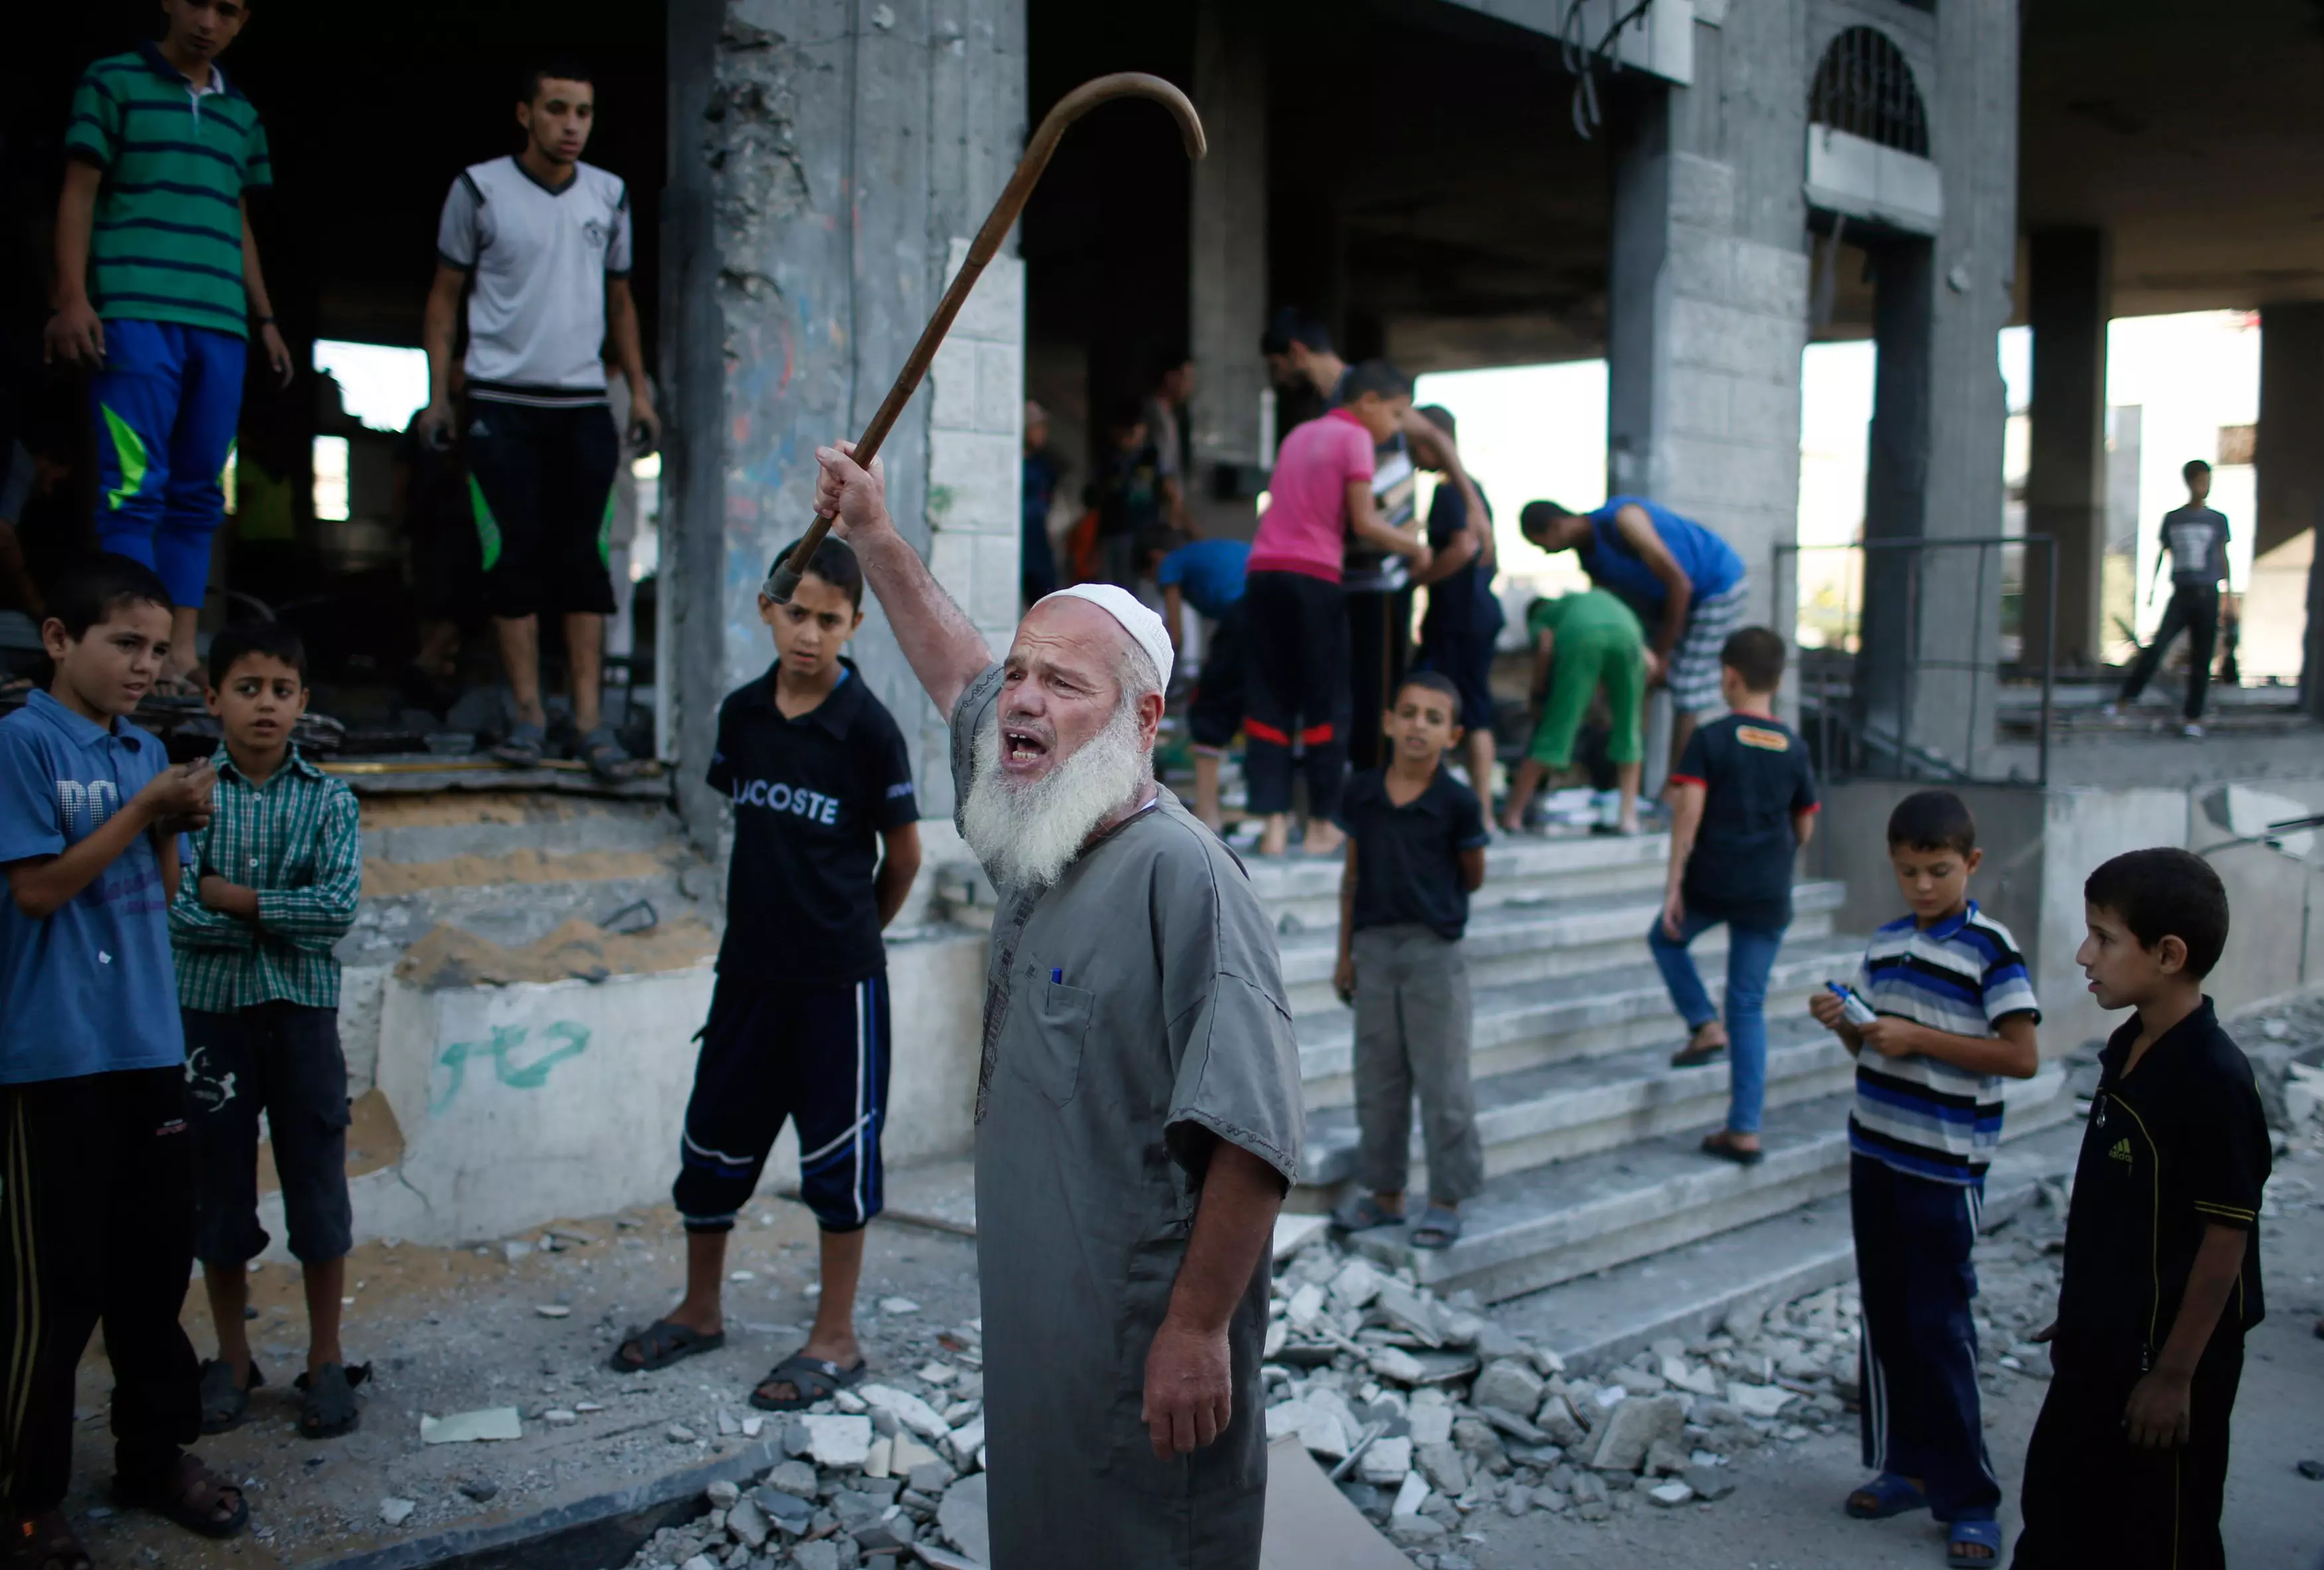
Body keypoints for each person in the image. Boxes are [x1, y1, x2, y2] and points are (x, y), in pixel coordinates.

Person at [813, 440, 1303, 1569]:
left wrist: (1194, 1327)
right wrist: (878, 538)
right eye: (1024, 673)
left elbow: (1256, 1135)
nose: (1022, 699)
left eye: (1061, 682)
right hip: (1045, 1333)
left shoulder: (1187, 878)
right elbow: (958, 675)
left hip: (1143, 1342)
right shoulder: (1038, 833)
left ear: (1143, 719)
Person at [608, 535, 922, 1408]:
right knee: (711, 1146)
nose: (810, 635)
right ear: (767, 610)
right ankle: (700, 1310)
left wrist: (852, 937)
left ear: (856, 625)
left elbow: (903, 860)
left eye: (830, 620)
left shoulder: (870, 731)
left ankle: (836, 1338)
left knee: (838, 1163)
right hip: (746, 976)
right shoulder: (742, 716)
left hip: (837, 988)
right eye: (797, 614)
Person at [1, 555, 249, 1564]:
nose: (146, 664)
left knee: (152, 1268)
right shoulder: (20, 741)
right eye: (123, 643)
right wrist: (147, 812)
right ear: (61, 640)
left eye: (157, 647)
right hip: (52, 1055)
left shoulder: (144, 746)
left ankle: (154, 1455)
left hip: (147, 1039)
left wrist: (174, 825)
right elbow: (38, 891)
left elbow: (165, 895)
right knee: (55, 1288)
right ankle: (28, 1494)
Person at [1806, 789, 2040, 1567]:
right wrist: (1851, 1026)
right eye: (1907, 872)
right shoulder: (1883, 943)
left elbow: (2020, 1055)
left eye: (1938, 871)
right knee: (1885, 1315)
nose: (1922, 887)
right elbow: (1875, 1052)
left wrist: (1921, 1038)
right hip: (1874, 1150)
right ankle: (1901, 1465)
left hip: (1942, 1168)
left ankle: (1968, 1500)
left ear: (1969, 864)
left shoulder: (1990, 950)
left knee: (1941, 1326)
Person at [2014, 849, 2265, 1570]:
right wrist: (2089, 1306)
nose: (2081, 953)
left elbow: (2224, 1241)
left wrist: (2174, 1377)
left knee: (2158, 1537)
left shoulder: (2211, 1078)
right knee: (2056, 1519)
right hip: (2096, 1350)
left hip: (2163, 1368)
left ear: (2167, 955)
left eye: (2102, 937)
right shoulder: (2127, 1046)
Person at [418, 57, 659, 779]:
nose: (571, 127)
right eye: (556, 110)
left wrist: (639, 393)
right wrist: (439, 393)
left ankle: (588, 725)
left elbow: (621, 303)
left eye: (582, 113)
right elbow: (442, 298)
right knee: (510, 560)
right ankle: (527, 716)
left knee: (585, 566)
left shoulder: (609, 196)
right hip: (499, 401)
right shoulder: (478, 189)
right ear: (525, 114)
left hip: (582, 403)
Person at [49, 0, 294, 689]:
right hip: (133, 313)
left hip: (221, 323)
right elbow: (78, 194)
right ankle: (134, 653)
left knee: (199, 497)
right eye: (198, 1)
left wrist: (266, 317)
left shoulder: (241, 114)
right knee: (132, 488)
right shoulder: (112, 81)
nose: (210, 21)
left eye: (231, 10)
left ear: (245, 20)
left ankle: (180, 655)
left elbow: (236, 215)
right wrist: (72, 298)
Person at [169, 622, 365, 1440]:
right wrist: (271, 914)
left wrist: (237, 900)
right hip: (210, 1013)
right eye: (247, 689)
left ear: (303, 704)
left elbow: (336, 913)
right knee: (217, 1185)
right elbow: (179, 912)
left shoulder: (329, 799)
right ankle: (233, 1357)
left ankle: (325, 1359)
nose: (265, 706)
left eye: (281, 691)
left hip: (302, 1016)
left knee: (317, 1182)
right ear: (213, 697)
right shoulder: (184, 798)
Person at [1241, 361, 1432, 858]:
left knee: (1269, 699)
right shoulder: (1357, 441)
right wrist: (1414, 546)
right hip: (1314, 578)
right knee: (1326, 702)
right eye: (1395, 414)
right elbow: (1365, 521)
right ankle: (1324, 823)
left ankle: (1274, 825)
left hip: (1262, 573)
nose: (1395, 427)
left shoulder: (1298, 435)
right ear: (1366, 402)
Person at [1329, 671, 1489, 1251]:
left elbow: (1473, 875)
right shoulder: (1364, 793)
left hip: (1432, 953)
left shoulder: (1458, 803)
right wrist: (1344, 953)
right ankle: (1385, 1193)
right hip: (1373, 949)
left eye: (1434, 718)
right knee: (1378, 1077)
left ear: (1453, 734)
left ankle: (1446, 1198)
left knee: (1443, 1078)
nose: (1420, 726)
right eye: (1411, 713)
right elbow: (1352, 877)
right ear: (1390, 722)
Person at [1653, 629, 1819, 1161]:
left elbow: (1688, 812)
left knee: (1666, 939)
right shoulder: (1794, 746)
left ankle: (1703, 1024)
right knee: (1748, 1003)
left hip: (1712, 881)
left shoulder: (1711, 737)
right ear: (1778, 680)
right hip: (1768, 891)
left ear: (1729, 676)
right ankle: (1744, 1129)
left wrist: (1673, 885)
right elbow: (1806, 828)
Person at [1520, 496, 1748, 776]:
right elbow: (1621, 611)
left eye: (1540, 543)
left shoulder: (1624, 520)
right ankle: (1632, 781)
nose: (1545, 552)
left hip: (1714, 587)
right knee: (1637, 675)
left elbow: (1680, 585)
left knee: (1687, 687)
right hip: (1667, 601)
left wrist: (1661, 655)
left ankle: (1678, 787)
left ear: (1555, 527)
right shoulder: (1590, 559)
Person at [1408, 406, 1503, 800]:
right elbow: (1489, 558)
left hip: (1459, 619)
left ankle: (1461, 805)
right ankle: (1480, 810)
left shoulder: (1449, 491)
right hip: (1477, 614)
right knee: (1474, 710)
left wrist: (1419, 580)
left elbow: (1464, 548)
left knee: (1440, 705)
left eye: (1414, 447)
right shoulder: (1474, 491)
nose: (1412, 457)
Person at [1501, 588, 1649, 836]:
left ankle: (1513, 815)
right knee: (1629, 729)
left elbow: (1546, 648)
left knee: (1556, 729)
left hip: (1583, 638)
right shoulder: (1588, 601)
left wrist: (1538, 695)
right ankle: (1628, 818)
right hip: (1630, 635)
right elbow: (1650, 663)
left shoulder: (1542, 616)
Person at [2108, 460, 2234, 739]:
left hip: (2207, 593)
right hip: (2182, 593)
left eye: (2208, 481)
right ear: (2190, 483)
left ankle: (2194, 716)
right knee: (2158, 646)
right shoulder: (2174, 519)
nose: (2205, 487)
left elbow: (2223, 558)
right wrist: (2151, 590)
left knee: (2202, 659)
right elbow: (2163, 554)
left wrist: (2228, 597)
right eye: (2200, 481)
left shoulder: (2216, 520)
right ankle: (2126, 699)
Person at [1153, 529, 1249, 831]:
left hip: (1247, 612)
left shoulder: (1169, 562)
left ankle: (1208, 814)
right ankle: (1275, 821)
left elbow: (1174, 638)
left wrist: (1164, 679)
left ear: (1153, 557)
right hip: (1281, 604)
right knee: (1265, 709)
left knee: (1208, 712)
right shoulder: (1207, 549)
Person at [1093, 400, 1167, 589]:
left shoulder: (1151, 456)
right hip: (1114, 532)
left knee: (1141, 590)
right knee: (1113, 588)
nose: (1130, 438)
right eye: (1126, 432)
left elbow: (1167, 491)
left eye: (1135, 431)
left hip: (1145, 534)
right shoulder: (1109, 458)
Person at [1140, 353, 1194, 533]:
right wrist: (1184, 519)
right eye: (1187, 378)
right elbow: (1163, 470)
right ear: (1171, 378)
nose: (1190, 386)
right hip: (1158, 517)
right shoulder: (1156, 415)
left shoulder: (1167, 415)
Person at [1021, 400, 1061, 607]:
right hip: (1021, 543)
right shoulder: (1016, 465)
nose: (1042, 433)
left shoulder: (1043, 466)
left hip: (1038, 544)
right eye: (1038, 427)